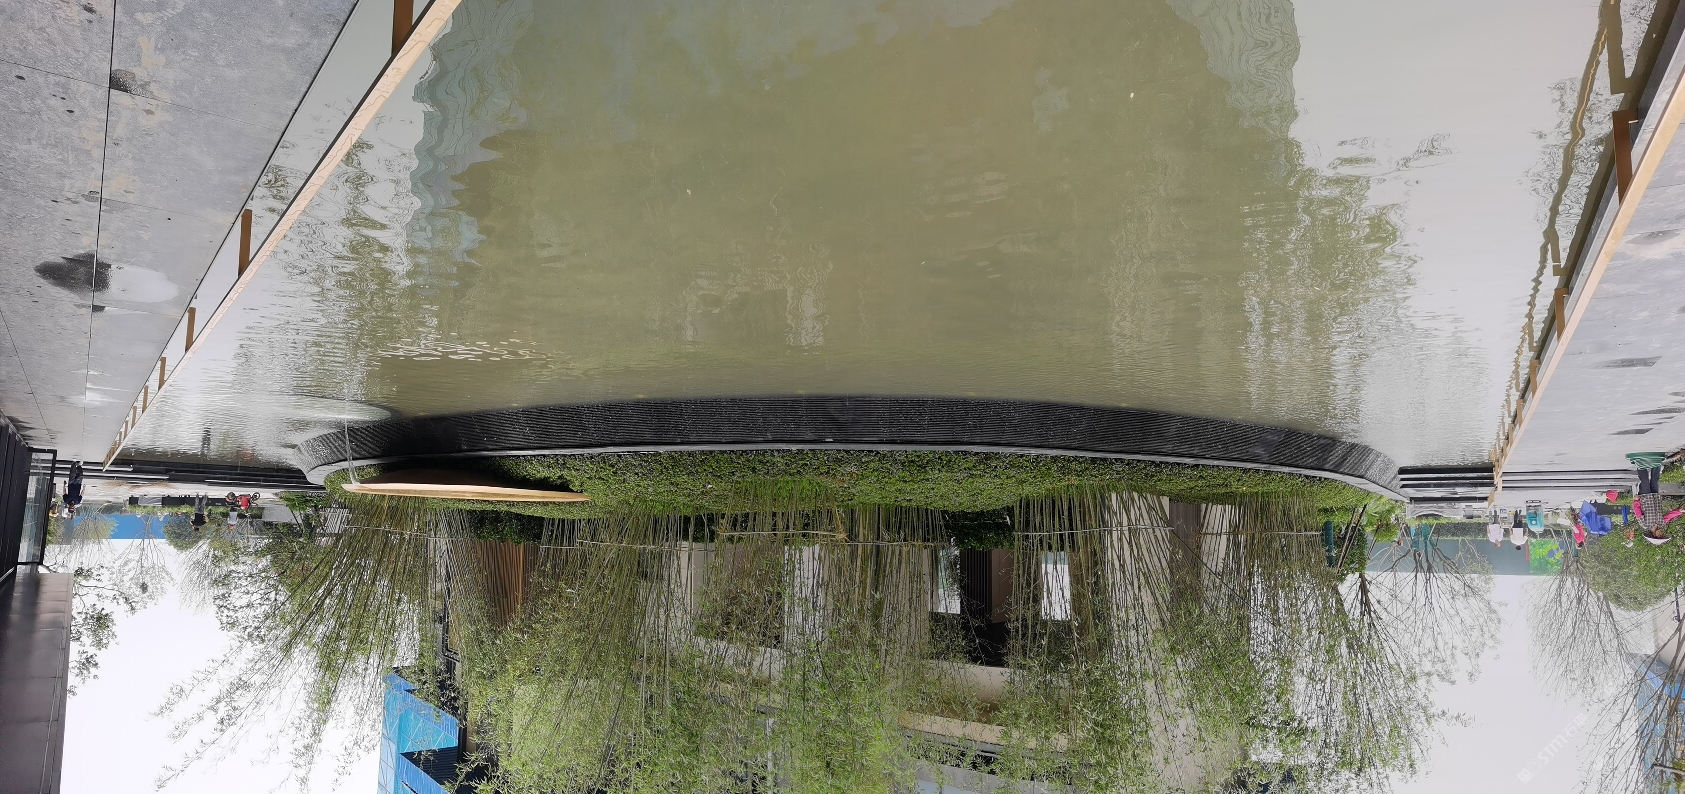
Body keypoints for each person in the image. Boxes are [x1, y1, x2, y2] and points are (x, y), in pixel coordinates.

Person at [1629, 452, 1670, 545]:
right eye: (1662, 535)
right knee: (1655, 480)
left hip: (1645, 499)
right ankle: (1657, 463)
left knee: (1645, 481)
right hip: (1655, 497)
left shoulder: (1645, 525)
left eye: (1660, 535)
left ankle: (1639, 463)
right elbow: (1670, 516)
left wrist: (1636, 501)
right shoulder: (1662, 523)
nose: (1661, 533)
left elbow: (1638, 513)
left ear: (1654, 535)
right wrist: (1679, 511)